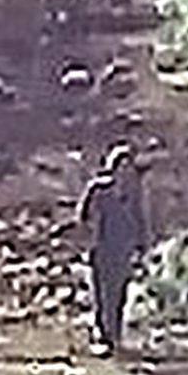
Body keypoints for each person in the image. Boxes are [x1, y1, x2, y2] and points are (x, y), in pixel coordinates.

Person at [78, 143, 147, 355]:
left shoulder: (132, 195)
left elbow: (139, 221)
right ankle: (102, 334)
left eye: (129, 168)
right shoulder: (99, 191)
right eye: (122, 167)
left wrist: (141, 247)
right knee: (101, 294)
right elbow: (84, 216)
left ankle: (114, 335)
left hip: (122, 251)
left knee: (119, 296)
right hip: (101, 249)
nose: (126, 173)